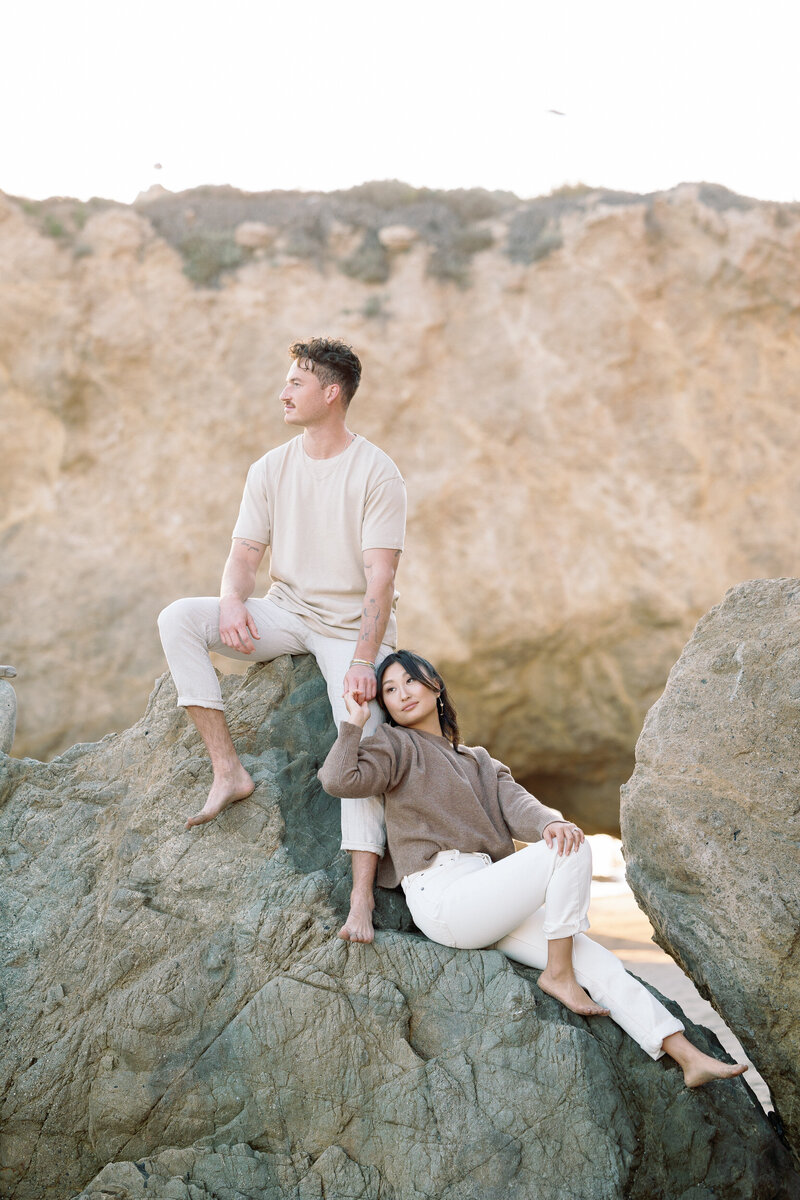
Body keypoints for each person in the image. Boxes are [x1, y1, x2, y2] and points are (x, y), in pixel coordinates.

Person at [318, 649, 749, 1088]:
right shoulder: (395, 746)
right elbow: (338, 780)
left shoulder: (480, 761)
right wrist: (354, 721)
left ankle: (686, 1055)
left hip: (490, 898)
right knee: (569, 850)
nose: (402, 694)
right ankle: (557, 974)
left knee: (598, 961)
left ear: (435, 685)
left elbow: (522, 808)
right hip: (444, 896)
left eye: (410, 681)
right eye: (389, 690)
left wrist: (552, 821)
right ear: (384, 707)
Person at [158, 338, 406, 943]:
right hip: (286, 611)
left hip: (350, 629)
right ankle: (228, 771)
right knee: (178, 619)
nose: (283, 392)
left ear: (331, 393)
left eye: (296, 382)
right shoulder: (270, 467)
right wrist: (232, 599)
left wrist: (364, 663)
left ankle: (360, 901)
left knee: (361, 737)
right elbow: (244, 553)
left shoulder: (378, 471)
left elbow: (381, 577)